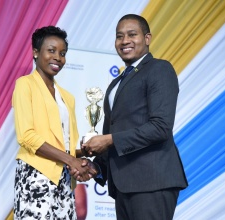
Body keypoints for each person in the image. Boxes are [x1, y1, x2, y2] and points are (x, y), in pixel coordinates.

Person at [81, 14, 188, 219]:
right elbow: (112, 132)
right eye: (119, 36)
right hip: (123, 185)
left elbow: (160, 127)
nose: (125, 41)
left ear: (147, 38)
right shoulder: (117, 83)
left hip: (152, 183)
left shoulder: (160, 69)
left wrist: (109, 140)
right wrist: (97, 166)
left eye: (132, 34)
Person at [12, 26, 95, 220]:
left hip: (65, 179)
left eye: (62, 53)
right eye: (51, 50)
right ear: (35, 52)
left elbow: (66, 146)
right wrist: (71, 160)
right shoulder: (25, 85)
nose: (58, 57)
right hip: (35, 175)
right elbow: (26, 136)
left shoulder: (68, 97)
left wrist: (85, 152)